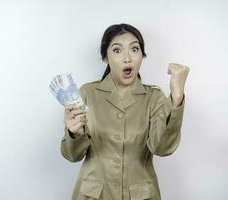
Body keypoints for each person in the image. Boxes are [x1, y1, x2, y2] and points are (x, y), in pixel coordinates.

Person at [61, 23, 190, 200]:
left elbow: (162, 148)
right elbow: (72, 155)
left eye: (134, 49)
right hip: (93, 195)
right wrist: (73, 134)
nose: (127, 58)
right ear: (105, 58)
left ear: (142, 56)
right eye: (117, 50)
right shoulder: (86, 93)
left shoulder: (154, 97)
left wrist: (176, 97)